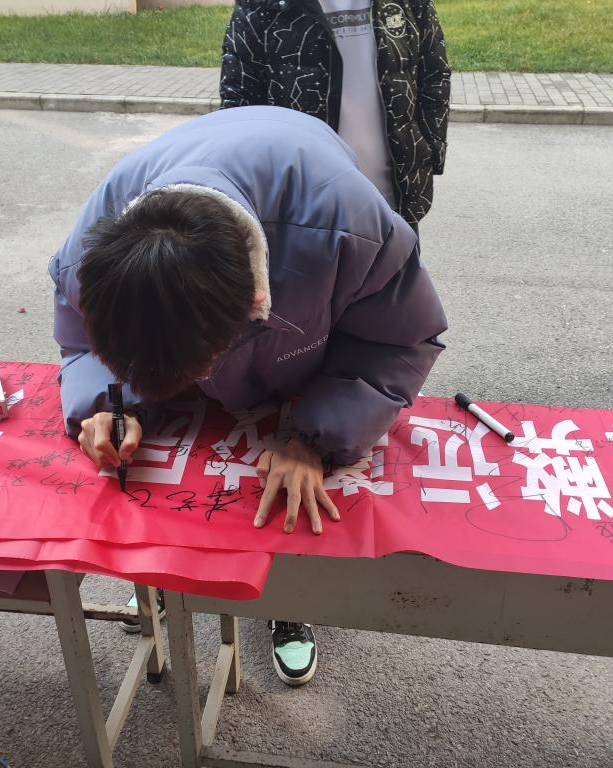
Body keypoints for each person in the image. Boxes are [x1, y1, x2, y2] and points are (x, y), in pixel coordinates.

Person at [48, 106, 447, 686]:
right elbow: (81, 341)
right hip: (217, 274)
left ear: (256, 302)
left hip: (304, 304)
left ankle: (286, 602)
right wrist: (109, 404)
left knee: (288, 496)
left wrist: (316, 440)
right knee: (179, 478)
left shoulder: (346, 226)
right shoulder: (91, 250)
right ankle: (173, 583)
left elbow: (400, 338)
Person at [220, 0, 451, 227]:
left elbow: (434, 74)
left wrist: (430, 150)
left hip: (395, 203)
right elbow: (240, 102)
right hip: (301, 211)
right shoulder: (259, 5)